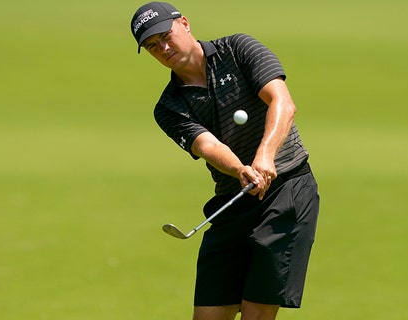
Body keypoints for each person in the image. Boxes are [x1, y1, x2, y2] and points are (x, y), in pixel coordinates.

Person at [130, 2, 320, 319]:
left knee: (256, 313)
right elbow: (207, 145)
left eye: (165, 35)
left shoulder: (238, 48)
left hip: (287, 193)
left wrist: (265, 156)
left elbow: (282, 102)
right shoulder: (168, 107)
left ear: (184, 23)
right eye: (152, 45)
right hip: (232, 200)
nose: (163, 48)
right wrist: (241, 169)